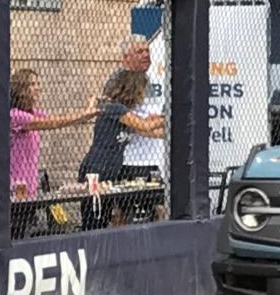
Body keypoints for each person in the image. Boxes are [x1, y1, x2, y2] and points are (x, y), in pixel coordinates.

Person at [79, 69, 164, 229]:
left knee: (105, 216)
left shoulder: (127, 115)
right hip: (97, 168)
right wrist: (167, 117)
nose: (142, 96)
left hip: (111, 170)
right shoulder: (115, 108)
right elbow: (144, 125)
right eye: (141, 91)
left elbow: (149, 131)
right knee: (94, 216)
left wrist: (164, 123)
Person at [9, 69, 97, 201]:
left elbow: (59, 119)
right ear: (21, 89)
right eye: (32, 84)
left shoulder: (32, 113)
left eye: (38, 83)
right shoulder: (15, 115)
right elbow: (53, 123)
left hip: (30, 188)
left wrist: (86, 112)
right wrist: (84, 115)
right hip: (15, 188)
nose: (38, 88)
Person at [106, 34, 164, 183]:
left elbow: (151, 115)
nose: (146, 55)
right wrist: (160, 127)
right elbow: (126, 123)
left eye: (147, 51)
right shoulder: (120, 82)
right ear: (126, 57)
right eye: (139, 52)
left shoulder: (145, 79)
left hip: (152, 159)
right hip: (129, 161)